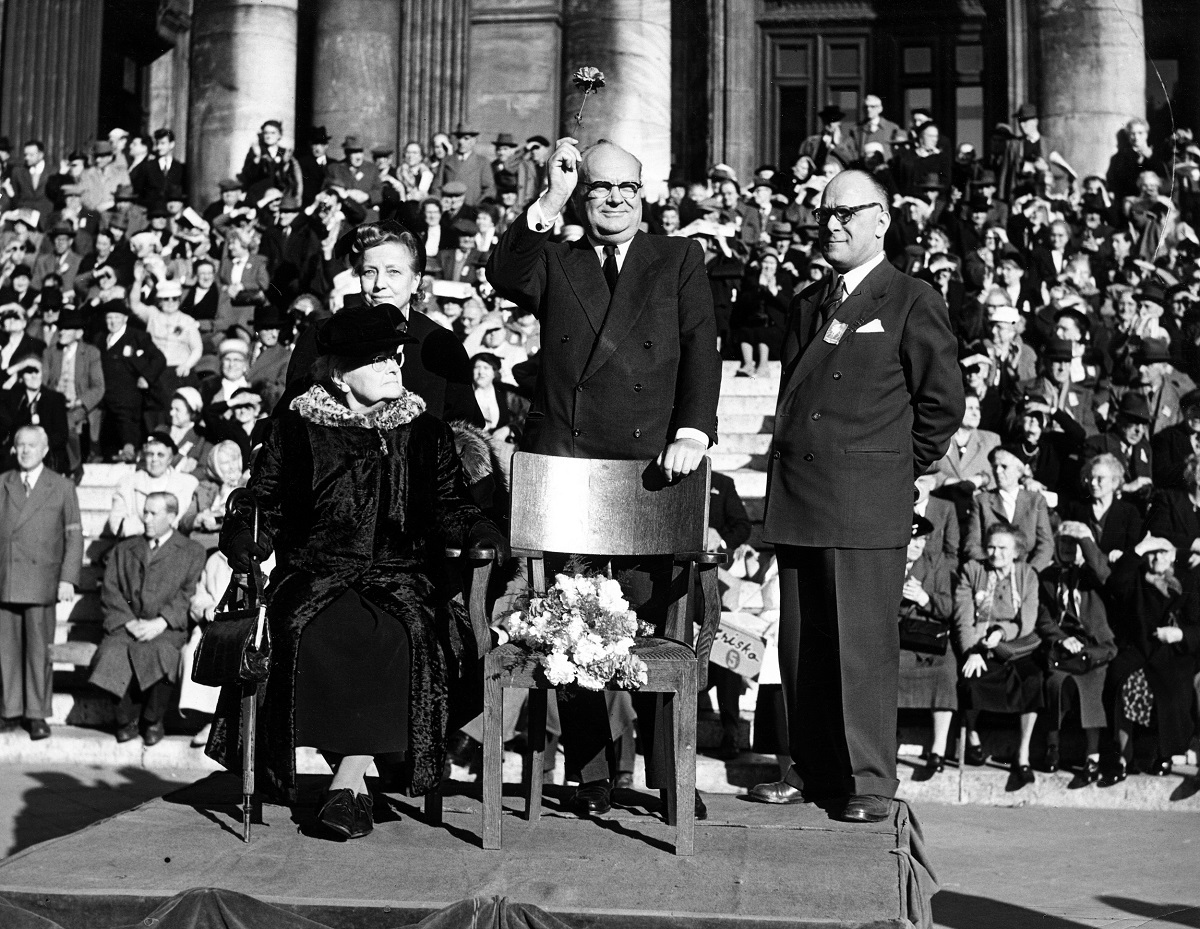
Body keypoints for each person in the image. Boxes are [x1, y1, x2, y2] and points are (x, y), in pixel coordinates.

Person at [485, 136, 721, 818]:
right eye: (598, 188)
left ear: (644, 197)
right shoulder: (557, 257)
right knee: (576, 622)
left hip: (655, 468)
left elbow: (701, 347)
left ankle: (668, 774)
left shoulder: (678, 256)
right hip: (573, 471)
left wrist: (693, 431)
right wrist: (549, 197)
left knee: (656, 623)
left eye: (625, 188)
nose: (613, 199)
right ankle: (590, 773)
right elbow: (505, 276)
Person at [208, 302, 504, 840]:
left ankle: (345, 785)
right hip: (314, 575)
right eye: (380, 360)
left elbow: (449, 507)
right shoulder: (294, 431)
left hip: (401, 577)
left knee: (401, 633)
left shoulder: (426, 432)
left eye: (396, 357)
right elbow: (263, 500)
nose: (396, 367)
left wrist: (479, 530)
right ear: (341, 376)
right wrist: (246, 534)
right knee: (304, 630)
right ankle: (354, 789)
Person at [751, 168, 963, 822]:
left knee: (862, 647)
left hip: (864, 501)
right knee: (801, 644)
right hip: (799, 497)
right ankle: (810, 766)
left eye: (848, 212)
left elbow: (942, 405)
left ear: (881, 220)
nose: (832, 223)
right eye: (825, 213)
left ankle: (869, 779)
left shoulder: (910, 298)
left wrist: (891, 472)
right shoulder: (809, 300)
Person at [281, 222, 484, 427]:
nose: (379, 284)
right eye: (370, 272)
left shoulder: (441, 344)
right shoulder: (323, 336)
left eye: (393, 272)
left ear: (415, 281)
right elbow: (287, 417)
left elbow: (465, 432)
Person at [89, 491, 206, 745]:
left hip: (166, 627)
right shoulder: (125, 548)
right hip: (126, 624)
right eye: (145, 512)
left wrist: (161, 622)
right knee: (111, 653)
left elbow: (189, 592)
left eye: (154, 513)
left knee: (163, 653)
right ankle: (125, 720)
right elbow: (111, 589)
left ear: (172, 516)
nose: (146, 518)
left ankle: (153, 720)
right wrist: (128, 621)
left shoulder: (191, 551)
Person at [0, 426, 82, 740]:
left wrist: (67, 579)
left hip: (42, 580)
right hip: (6, 578)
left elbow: (74, 536)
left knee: (38, 651)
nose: (24, 451)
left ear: (45, 449)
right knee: (6, 650)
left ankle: (36, 714)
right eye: (20, 445)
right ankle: (10, 711)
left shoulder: (61, 486)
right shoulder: (3, 483)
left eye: (31, 445)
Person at [1102, 535, 1200, 785]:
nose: (1157, 558)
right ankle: (1123, 757)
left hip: (1174, 654)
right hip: (1138, 650)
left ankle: (1164, 753)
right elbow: (1114, 584)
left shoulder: (1187, 582)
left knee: (1171, 692)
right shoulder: (1135, 579)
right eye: (1151, 553)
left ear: (1172, 557)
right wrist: (1139, 548)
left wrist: (1180, 634)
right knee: (1121, 683)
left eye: (1162, 553)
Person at [954, 523, 1042, 785]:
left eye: (1003, 548)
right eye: (991, 546)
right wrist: (973, 651)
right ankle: (972, 736)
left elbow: (1027, 621)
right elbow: (963, 619)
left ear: (1016, 551)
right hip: (978, 645)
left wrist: (1000, 633)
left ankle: (1022, 753)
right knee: (971, 679)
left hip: (1013, 645)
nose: (995, 553)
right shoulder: (973, 571)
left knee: (1033, 680)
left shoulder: (1027, 575)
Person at [1036, 523, 1117, 786]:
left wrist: (1085, 539)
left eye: (1075, 543)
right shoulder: (1049, 577)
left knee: (1091, 686)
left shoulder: (1093, 573)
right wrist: (1062, 638)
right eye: (1065, 543)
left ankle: (1092, 756)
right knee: (1055, 683)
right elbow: (1045, 619)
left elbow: (1103, 572)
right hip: (1064, 648)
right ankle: (1052, 747)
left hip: (1094, 647)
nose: (1069, 549)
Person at [896, 515, 955, 779]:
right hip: (897, 637)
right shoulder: (889, 562)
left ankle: (938, 748)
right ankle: (888, 743)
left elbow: (948, 608)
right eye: (913, 539)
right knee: (886, 671)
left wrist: (923, 598)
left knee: (945, 673)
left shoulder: (936, 563)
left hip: (930, 637)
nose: (919, 545)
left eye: (922, 540)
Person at [964, 446, 1054, 571]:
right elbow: (972, 545)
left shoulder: (1036, 501)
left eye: (1004, 467)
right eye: (995, 467)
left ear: (1019, 471)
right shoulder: (982, 501)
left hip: (1026, 573)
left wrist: (1029, 573)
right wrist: (995, 568)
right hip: (990, 571)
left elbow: (1046, 545)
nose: (998, 471)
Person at [107, 432, 199, 537]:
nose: (155, 459)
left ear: (169, 459)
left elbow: (187, 521)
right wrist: (154, 529)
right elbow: (117, 525)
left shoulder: (188, 484)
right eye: (150, 454)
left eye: (160, 455)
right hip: (138, 543)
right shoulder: (128, 483)